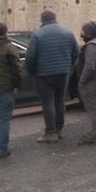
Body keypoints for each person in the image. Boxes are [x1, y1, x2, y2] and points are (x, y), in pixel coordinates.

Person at [25, 10, 79, 143]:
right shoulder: (68, 33)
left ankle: (50, 132)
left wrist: (32, 72)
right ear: (55, 18)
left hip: (43, 75)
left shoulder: (37, 35)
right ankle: (59, 129)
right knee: (60, 101)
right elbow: (76, 53)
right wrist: (68, 67)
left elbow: (30, 57)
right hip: (63, 73)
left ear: (42, 20)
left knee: (47, 102)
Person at [76, 21, 96, 146]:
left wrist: (82, 81)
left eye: (83, 30)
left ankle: (94, 134)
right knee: (94, 108)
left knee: (92, 108)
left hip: (93, 81)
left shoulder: (92, 46)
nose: (81, 33)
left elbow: (89, 66)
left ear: (89, 32)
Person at [0, 23, 22, 158]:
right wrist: (17, 84)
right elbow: (17, 70)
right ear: (5, 32)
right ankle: (2, 148)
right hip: (5, 88)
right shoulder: (9, 48)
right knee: (3, 119)